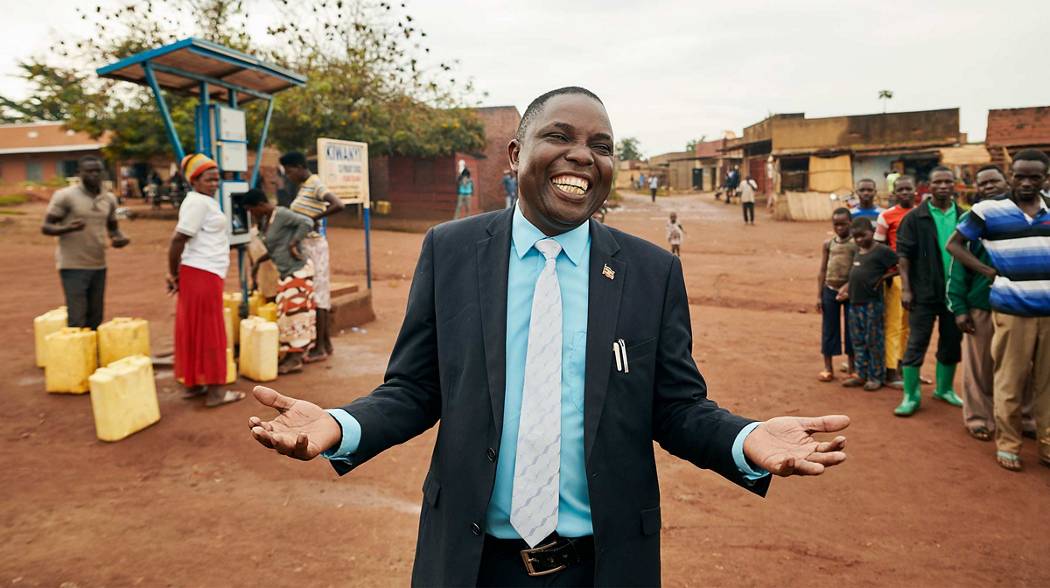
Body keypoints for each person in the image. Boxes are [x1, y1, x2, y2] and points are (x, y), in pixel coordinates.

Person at [247, 87, 850, 586]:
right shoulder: (452, 252)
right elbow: (415, 388)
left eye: (601, 146)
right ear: (515, 154)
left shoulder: (650, 271)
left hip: (603, 566)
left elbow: (676, 407)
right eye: (560, 137)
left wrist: (745, 439)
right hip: (471, 562)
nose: (582, 156)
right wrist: (341, 425)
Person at [947, 149, 1050, 471]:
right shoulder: (988, 211)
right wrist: (986, 270)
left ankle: (1047, 445)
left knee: (1047, 384)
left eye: (1035, 176)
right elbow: (954, 244)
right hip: (1012, 310)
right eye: (1020, 175)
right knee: (1008, 380)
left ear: (1045, 178)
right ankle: (1008, 444)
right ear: (1010, 175)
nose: (1027, 182)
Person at [166, 154, 243, 408]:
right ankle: (216, 393)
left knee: (195, 328)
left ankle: (195, 383)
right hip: (202, 272)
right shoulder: (198, 203)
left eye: (217, 178)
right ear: (194, 180)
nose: (215, 183)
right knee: (211, 331)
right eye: (208, 179)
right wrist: (173, 273)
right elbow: (178, 239)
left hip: (201, 272)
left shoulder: (201, 201)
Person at [893, 166, 965, 416]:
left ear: (955, 184)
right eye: (938, 182)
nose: (943, 186)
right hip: (923, 292)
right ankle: (910, 396)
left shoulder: (964, 216)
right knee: (917, 341)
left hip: (955, 294)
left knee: (952, 340)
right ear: (929, 186)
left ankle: (944, 389)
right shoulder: (915, 218)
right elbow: (904, 256)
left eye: (948, 182)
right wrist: (906, 289)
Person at [41, 156, 130, 329]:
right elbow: (46, 227)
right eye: (89, 171)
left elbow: (113, 228)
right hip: (72, 265)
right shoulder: (65, 196)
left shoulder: (109, 199)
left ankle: (93, 355)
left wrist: (120, 239)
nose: (94, 175)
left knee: (96, 317)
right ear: (79, 173)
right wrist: (68, 228)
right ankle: (74, 355)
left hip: (98, 264)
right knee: (77, 317)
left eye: (98, 171)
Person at [242, 189, 319, 375]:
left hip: (298, 270)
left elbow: (307, 222)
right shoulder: (265, 222)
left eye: (252, 210)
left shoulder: (282, 214)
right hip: (286, 273)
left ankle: (295, 359)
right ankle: (294, 354)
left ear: (260, 205)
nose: (251, 214)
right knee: (285, 315)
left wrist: (294, 243)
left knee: (296, 313)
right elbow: (275, 247)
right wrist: (259, 262)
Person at [281, 152, 345, 361]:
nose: (288, 176)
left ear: (300, 167)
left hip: (314, 245)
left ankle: (320, 347)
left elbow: (338, 204)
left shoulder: (314, 182)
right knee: (318, 294)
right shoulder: (305, 186)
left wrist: (314, 219)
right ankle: (325, 344)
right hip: (308, 245)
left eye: (289, 171)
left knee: (318, 295)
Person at [840, 217, 898, 391]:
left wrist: (882, 279)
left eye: (862, 236)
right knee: (857, 340)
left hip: (872, 304)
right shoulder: (859, 251)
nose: (859, 240)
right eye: (855, 237)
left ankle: (875, 376)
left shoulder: (882, 251)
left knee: (873, 340)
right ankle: (861, 373)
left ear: (872, 232)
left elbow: (900, 266)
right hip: (855, 304)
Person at [874, 176, 917, 389]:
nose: (905, 193)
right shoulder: (886, 216)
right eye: (901, 190)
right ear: (895, 193)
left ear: (915, 190)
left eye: (908, 189)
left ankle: (904, 367)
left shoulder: (922, 214)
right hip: (896, 277)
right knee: (894, 323)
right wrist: (886, 275)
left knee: (909, 326)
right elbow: (878, 248)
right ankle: (891, 370)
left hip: (920, 278)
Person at [817, 208, 857, 382]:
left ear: (851, 223)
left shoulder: (855, 244)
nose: (839, 228)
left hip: (851, 291)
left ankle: (852, 367)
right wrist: (819, 295)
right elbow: (823, 269)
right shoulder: (829, 244)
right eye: (836, 224)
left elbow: (857, 269)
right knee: (829, 328)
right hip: (830, 289)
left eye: (843, 224)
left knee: (852, 329)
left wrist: (848, 287)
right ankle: (828, 367)